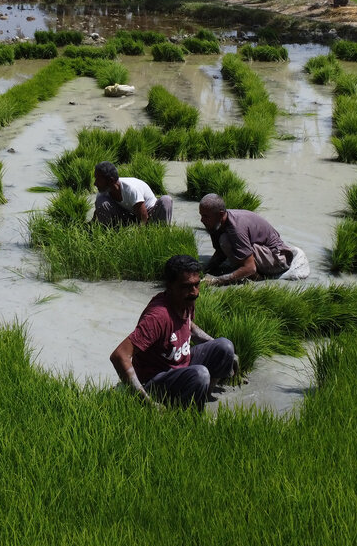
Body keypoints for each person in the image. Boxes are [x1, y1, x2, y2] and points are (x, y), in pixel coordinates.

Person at [109, 254, 236, 408]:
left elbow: (187, 324)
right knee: (201, 374)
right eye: (187, 286)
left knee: (224, 346)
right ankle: (188, 415)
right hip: (155, 379)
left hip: (181, 365)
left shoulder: (185, 300)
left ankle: (203, 397)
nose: (195, 292)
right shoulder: (158, 317)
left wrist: (218, 348)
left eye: (197, 284)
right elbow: (119, 355)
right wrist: (146, 401)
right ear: (169, 286)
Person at [198, 194, 309, 285]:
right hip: (261, 252)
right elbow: (220, 253)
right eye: (201, 215)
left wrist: (217, 280)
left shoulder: (236, 228)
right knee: (225, 241)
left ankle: (257, 278)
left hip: (278, 259)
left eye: (206, 216)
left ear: (220, 214)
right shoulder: (216, 224)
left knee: (226, 241)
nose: (202, 220)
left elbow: (250, 268)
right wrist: (204, 271)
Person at [92, 161, 173, 227]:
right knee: (101, 200)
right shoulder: (103, 191)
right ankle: (108, 230)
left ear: (111, 181)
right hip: (129, 215)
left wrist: (139, 237)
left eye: (98, 180)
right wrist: (91, 223)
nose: (95, 183)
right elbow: (99, 210)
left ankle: (163, 231)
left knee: (166, 200)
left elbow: (143, 216)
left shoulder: (131, 189)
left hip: (149, 213)